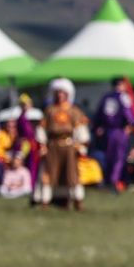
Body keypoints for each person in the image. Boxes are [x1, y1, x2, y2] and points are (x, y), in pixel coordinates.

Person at [35, 78, 88, 211]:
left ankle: (77, 200)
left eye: (62, 93)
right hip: (53, 145)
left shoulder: (74, 111)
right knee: (49, 173)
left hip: (69, 146)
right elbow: (42, 128)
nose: (60, 95)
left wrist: (80, 144)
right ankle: (45, 201)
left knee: (72, 174)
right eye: (58, 92)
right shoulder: (50, 110)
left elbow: (80, 129)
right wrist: (42, 144)